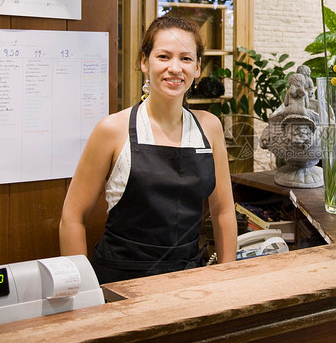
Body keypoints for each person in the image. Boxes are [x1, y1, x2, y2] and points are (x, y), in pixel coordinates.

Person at [59, 16, 238, 284]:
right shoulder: (111, 130)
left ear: (198, 67)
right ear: (145, 62)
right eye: (164, 56)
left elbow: (223, 212)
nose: (175, 68)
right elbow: (71, 218)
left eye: (186, 59)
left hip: (188, 281)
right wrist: (83, 295)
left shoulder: (209, 128)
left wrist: (228, 278)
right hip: (120, 281)